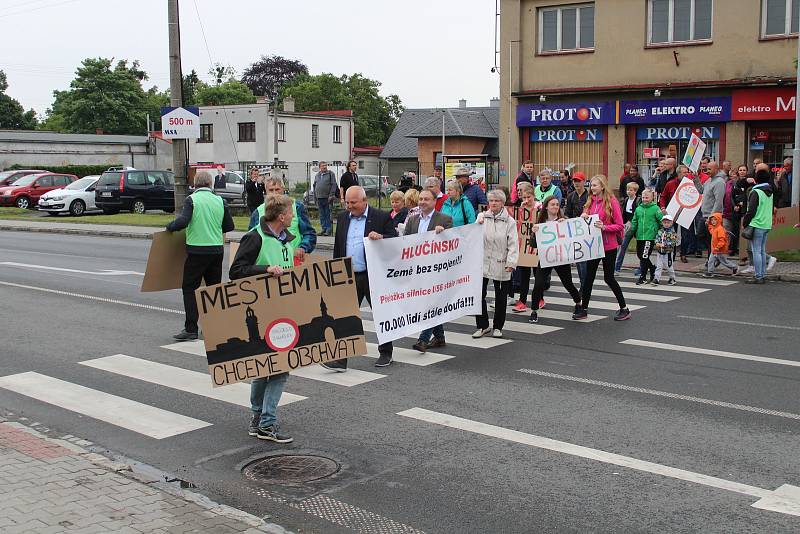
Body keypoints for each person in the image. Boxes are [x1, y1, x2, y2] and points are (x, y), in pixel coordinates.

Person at [230, 194, 296, 444]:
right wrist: (265, 270)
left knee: (264, 366)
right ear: (280, 216)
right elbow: (236, 271)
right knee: (279, 369)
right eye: (290, 213)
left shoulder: (285, 239)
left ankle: (258, 418)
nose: (292, 216)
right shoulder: (255, 237)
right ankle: (267, 422)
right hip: (263, 312)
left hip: (282, 310)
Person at [322, 186, 397, 370]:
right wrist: (335, 272)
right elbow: (339, 246)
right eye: (347, 202)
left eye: (353, 202)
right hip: (348, 276)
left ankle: (386, 352)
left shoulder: (380, 217)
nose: (349, 206)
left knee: (381, 315)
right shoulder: (342, 218)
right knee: (345, 317)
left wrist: (381, 237)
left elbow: (395, 241)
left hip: (373, 276)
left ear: (364, 201)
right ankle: (341, 359)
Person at [166, 171, 235, 341]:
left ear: (194, 184)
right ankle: (213, 328)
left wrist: (170, 227)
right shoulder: (221, 201)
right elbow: (229, 226)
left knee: (190, 289)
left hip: (197, 251)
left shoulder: (192, 200)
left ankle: (191, 329)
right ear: (211, 184)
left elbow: (183, 221)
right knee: (213, 290)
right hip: (217, 252)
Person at [576, 175, 630, 321]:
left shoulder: (612, 202)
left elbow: (619, 225)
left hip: (608, 246)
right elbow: (585, 221)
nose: (592, 188)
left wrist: (604, 227)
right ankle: (584, 309)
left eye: (595, 185)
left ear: (602, 186)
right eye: (591, 185)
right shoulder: (589, 202)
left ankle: (624, 308)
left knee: (609, 278)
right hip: (592, 245)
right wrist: (583, 217)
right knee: (588, 278)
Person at [406, 190, 454, 352]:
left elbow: (452, 244)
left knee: (430, 304)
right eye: (420, 199)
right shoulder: (412, 220)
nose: (422, 202)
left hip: (436, 271)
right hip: (418, 270)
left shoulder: (445, 219)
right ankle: (439, 337)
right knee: (426, 304)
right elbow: (404, 244)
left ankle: (423, 339)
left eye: (426, 199)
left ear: (435, 201)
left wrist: (444, 234)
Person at [528, 196, 582, 324]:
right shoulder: (541, 222)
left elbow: (573, 237)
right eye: (552, 204)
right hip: (546, 258)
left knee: (568, 283)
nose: (555, 207)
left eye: (557, 205)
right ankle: (534, 311)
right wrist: (534, 233)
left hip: (561, 258)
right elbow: (533, 245)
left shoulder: (563, 221)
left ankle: (578, 303)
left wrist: (566, 225)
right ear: (546, 206)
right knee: (538, 284)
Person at [473, 189, 518, 337]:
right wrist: (477, 223)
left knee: (501, 297)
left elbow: (513, 244)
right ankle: (482, 325)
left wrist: (511, 262)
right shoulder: (482, 217)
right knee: (479, 295)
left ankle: (498, 327)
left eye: (496, 201)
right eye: (491, 200)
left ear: (503, 203)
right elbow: (473, 236)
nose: (493, 203)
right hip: (483, 261)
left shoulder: (509, 222)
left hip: (501, 262)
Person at [248, 177, 316, 262]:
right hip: (269, 262)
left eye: (277, 189)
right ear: (265, 191)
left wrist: (303, 248)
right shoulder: (258, 212)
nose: (274, 193)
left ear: (283, 189)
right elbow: (251, 241)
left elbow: (309, 233)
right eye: (271, 190)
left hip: (294, 259)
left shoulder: (296, 207)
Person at [510, 182, 541, 313]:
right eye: (524, 198)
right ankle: (522, 300)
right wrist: (522, 211)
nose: (527, 200)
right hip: (525, 246)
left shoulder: (540, 207)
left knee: (538, 275)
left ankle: (540, 299)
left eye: (529, 197)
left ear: (534, 196)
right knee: (524, 274)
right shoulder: (521, 208)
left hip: (538, 246)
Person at [742, 167, 774, 284]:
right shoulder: (770, 192)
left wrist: (745, 223)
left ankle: (758, 276)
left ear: (756, 179)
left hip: (757, 223)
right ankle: (762, 274)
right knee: (761, 250)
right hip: (766, 224)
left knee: (756, 251)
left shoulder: (756, 192)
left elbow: (751, 211)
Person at [628, 188, 663, 285]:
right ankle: (652, 269)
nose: (644, 199)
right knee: (640, 255)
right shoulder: (639, 209)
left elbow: (661, 220)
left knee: (644, 256)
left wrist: (660, 230)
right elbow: (634, 221)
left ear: (652, 198)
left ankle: (642, 277)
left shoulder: (655, 208)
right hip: (639, 236)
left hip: (650, 236)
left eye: (647, 197)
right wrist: (632, 231)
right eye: (643, 197)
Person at [694, 160, 726, 259]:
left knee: (711, 240)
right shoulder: (709, 180)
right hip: (704, 215)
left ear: (716, 169)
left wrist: (712, 217)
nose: (707, 171)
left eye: (709, 169)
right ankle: (713, 258)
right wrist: (696, 179)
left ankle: (711, 260)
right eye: (707, 169)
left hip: (712, 217)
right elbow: (701, 191)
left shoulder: (719, 182)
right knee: (700, 235)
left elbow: (718, 201)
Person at [564, 171, 590, 285]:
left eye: (579, 181)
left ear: (584, 181)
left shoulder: (590, 196)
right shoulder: (571, 196)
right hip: (575, 231)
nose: (576, 183)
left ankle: (586, 283)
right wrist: (564, 220)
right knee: (580, 259)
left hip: (588, 231)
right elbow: (567, 213)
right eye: (574, 181)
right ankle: (583, 283)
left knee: (587, 260)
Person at [614, 182, 641, 272]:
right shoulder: (626, 200)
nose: (629, 192)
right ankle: (617, 267)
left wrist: (634, 223)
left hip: (636, 226)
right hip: (627, 225)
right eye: (628, 190)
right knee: (622, 246)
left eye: (631, 190)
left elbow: (639, 214)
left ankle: (641, 268)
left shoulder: (638, 201)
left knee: (639, 248)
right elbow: (624, 214)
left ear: (635, 191)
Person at [703, 212, 739, 278]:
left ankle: (734, 267)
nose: (713, 221)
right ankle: (710, 272)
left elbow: (722, 240)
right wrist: (708, 224)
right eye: (712, 220)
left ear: (719, 220)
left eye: (715, 220)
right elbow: (711, 230)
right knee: (711, 260)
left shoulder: (720, 229)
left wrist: (718, 247)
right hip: (715, 249)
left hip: (719, 250)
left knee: (724, 261)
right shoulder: (715, 228)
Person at [313, 161, 338, 237]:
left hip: (327, 198)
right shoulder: (317, 175)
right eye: (323, 166)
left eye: (325, 165)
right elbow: (315, 186)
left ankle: (328, 230)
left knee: (327, 214)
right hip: (319, 198)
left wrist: (331, 195)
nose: (324, 167)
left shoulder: (330, 174)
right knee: (321, 214)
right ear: (319, 167)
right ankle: (323, 229)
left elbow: (334, 185)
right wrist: (315, 197)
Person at [653, 214, 678, 285]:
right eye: (665, 223)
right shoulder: (660, 231)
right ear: (662, 223)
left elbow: (673, 242)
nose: (666, 224)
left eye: (668, 222)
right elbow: (657, 238)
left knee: (669, 266)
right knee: (659, 266)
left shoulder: (672, 233)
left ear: (671, 223)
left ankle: (672, 278)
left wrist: (665, 245)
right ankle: (656, 279)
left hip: (668, 253)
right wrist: (657, 243)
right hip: (660, 252)